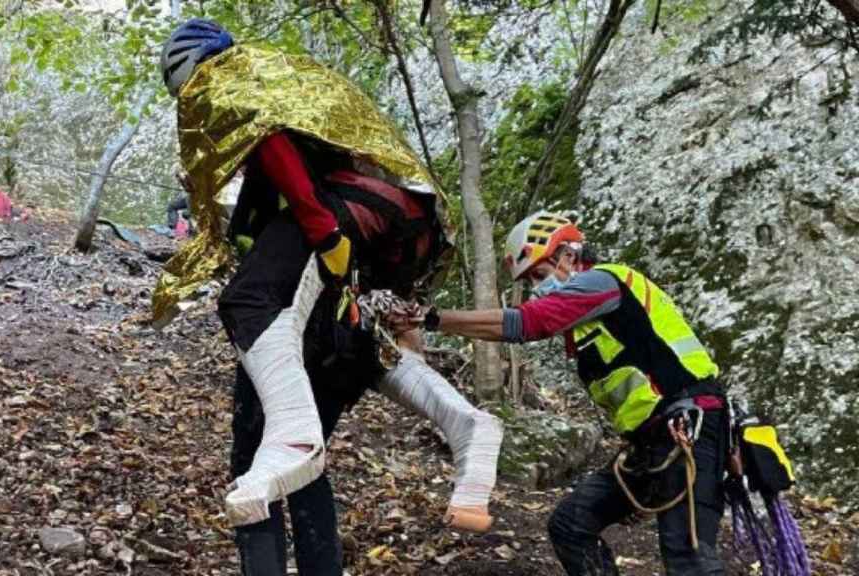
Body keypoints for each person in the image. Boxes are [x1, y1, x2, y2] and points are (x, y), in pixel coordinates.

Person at [156, 19, 502, 576]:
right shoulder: (299, 116)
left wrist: (325, 232)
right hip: (366, 268)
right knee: (330, 409)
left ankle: (292, 441)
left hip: (346, 227)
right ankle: (463, 423)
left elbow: (269, 138)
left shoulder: (232, 81)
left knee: (250, 326)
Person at [391, 211, 727, 576]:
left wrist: (432, 318)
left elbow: (528, 322)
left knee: (688, 558)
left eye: (539, 274)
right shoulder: (591, 317)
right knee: (570, 525)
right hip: (653, 441)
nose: (537, 287)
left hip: (688, 427)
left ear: (567, 254)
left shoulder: (604, 281)